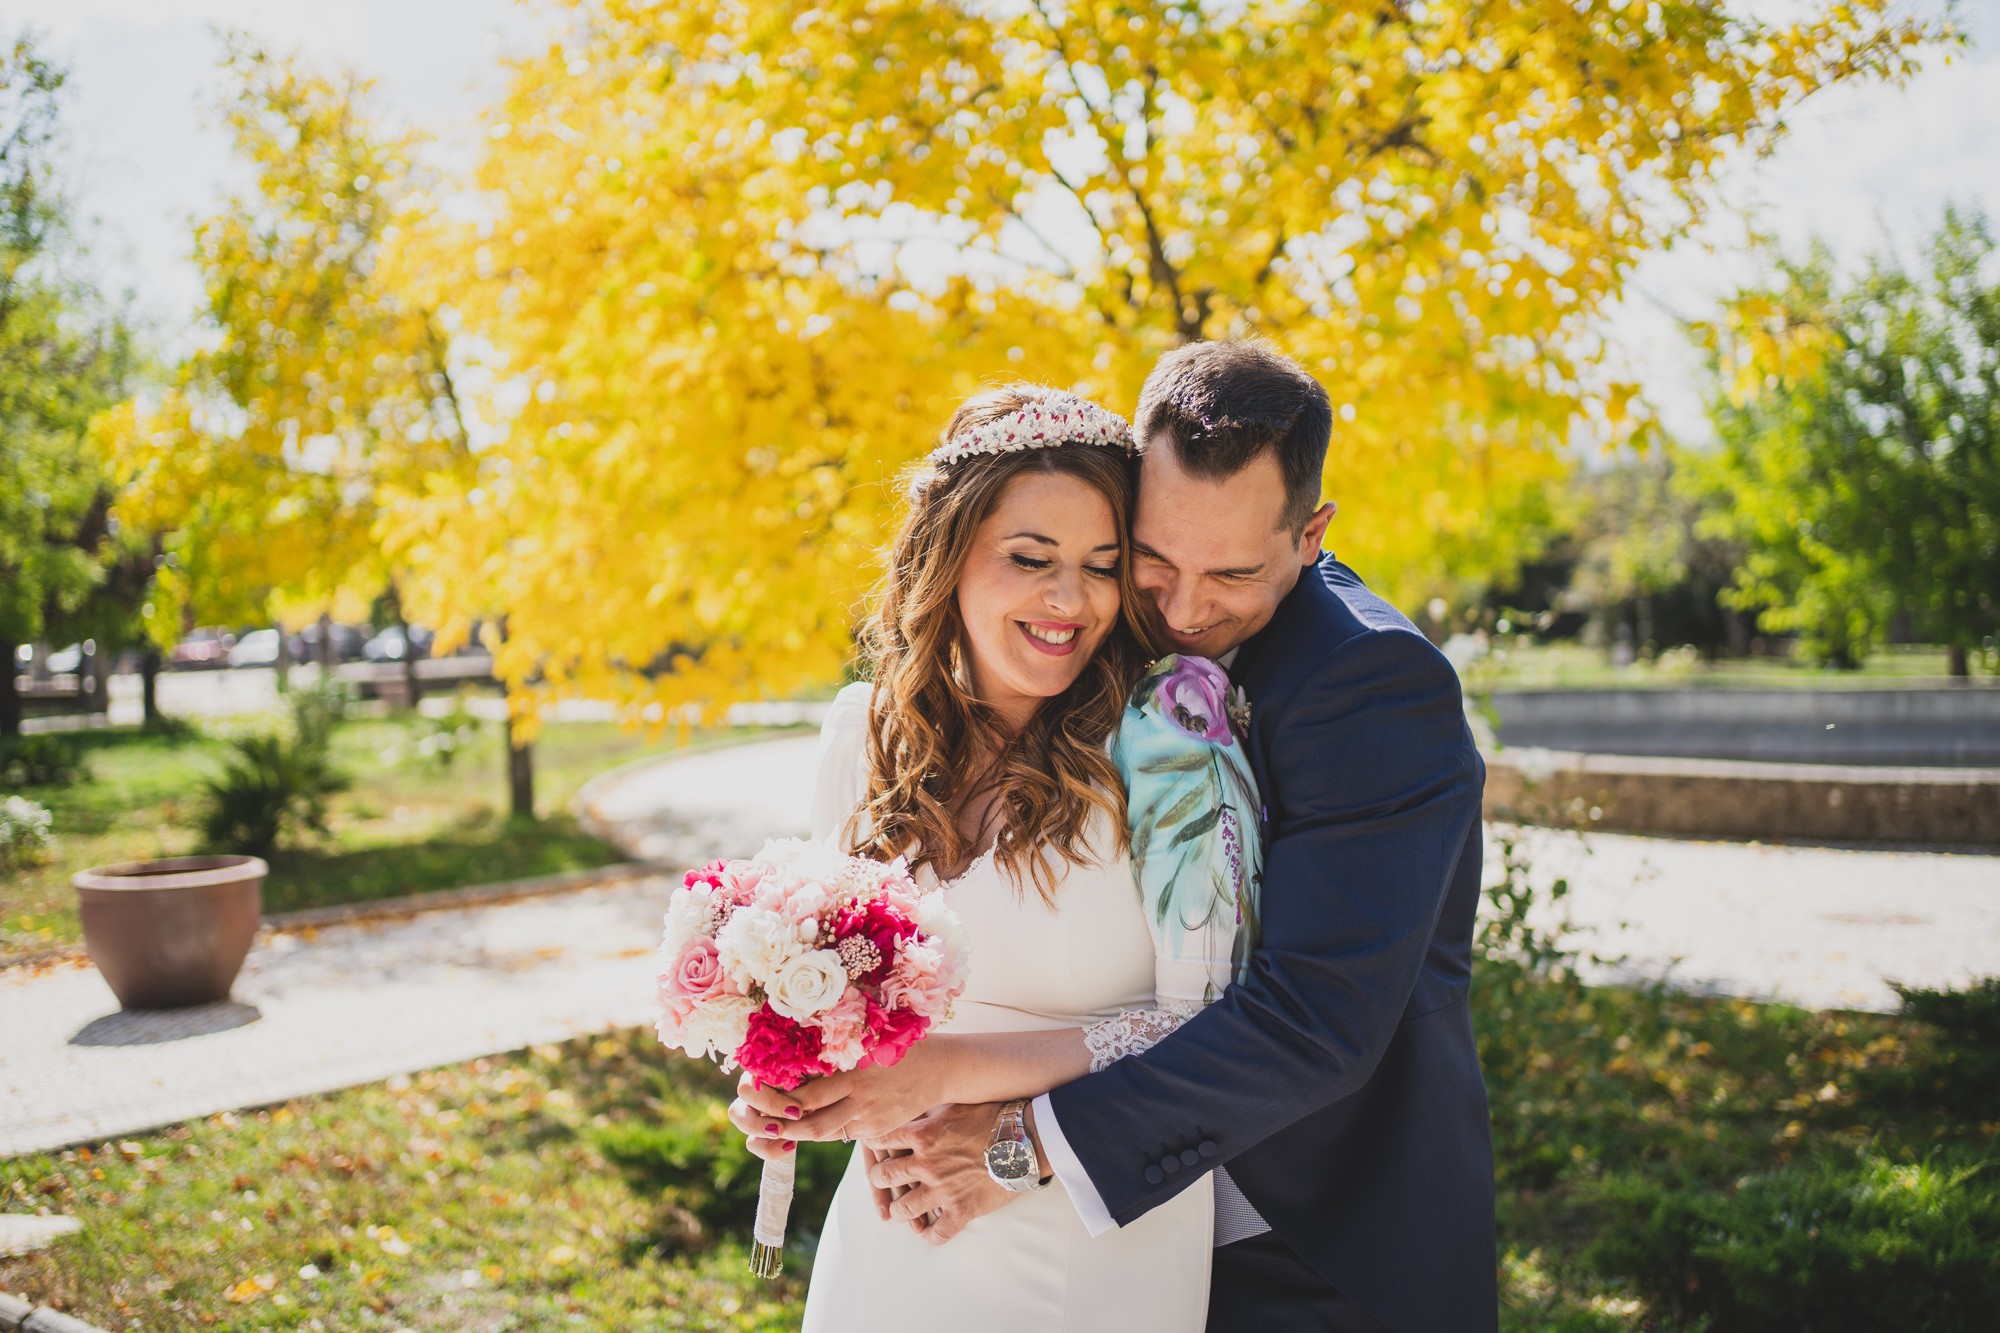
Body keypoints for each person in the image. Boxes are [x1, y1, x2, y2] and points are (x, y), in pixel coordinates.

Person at [754, 342, 1496, 1332]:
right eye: (1148, 560)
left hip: (1297, 1241)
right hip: (922, 1228)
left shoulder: (1356, 688)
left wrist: (1006, 1136)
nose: (1181, 611)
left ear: (1309, 532)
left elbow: (1301, 1019)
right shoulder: (896, 726)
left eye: (1231, 571)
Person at [731, 384, 1264, 1330]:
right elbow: (843, 999)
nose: (1071, 600)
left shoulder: (1173, 734)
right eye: (1030, 558)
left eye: (1103, 566)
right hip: (892, 1242)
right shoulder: (863, 734)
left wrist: (947, 1075)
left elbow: (1224, 1029)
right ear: (948, 556)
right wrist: (793, 1072)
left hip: (1092, 1239)